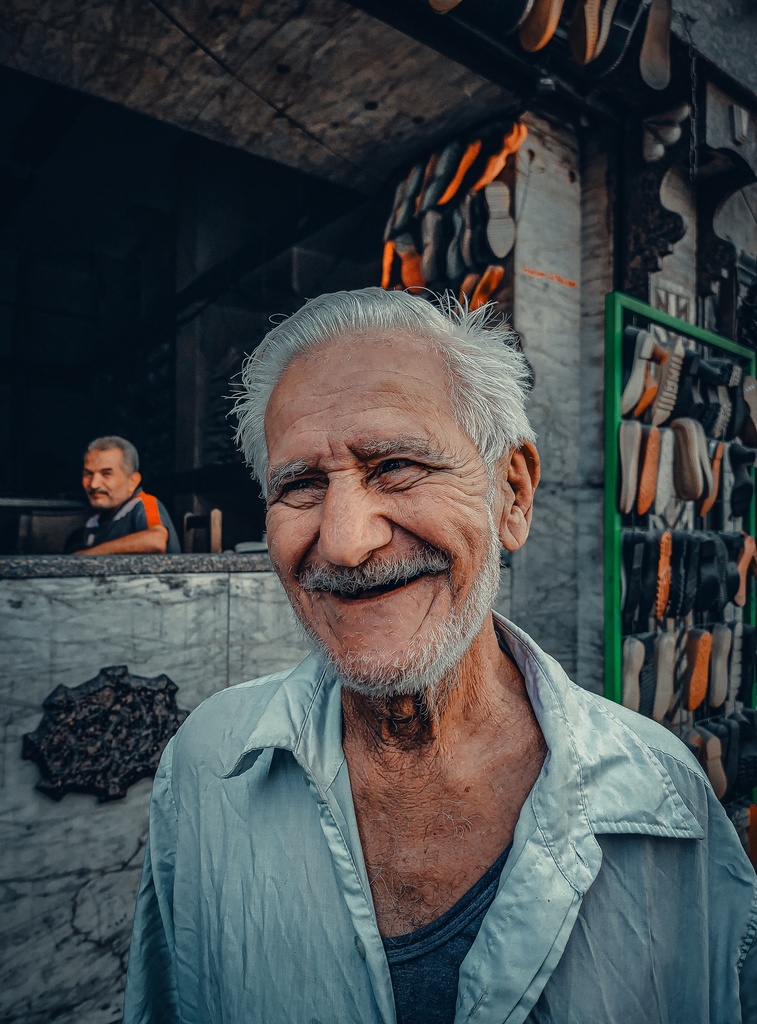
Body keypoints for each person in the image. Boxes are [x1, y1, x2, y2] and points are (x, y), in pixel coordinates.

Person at [123, 289, 756, 1023]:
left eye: (396, 466)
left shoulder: (665, 806)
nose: (345, 541)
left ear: (511, 495)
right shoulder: (205, 765)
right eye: (298, 486)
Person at [67, 436, 181, 554]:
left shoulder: (146, 503)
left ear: (132, 481)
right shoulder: (95, 521)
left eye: (106, 474)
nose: (94, 484)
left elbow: (156, 540)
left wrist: (87, 555)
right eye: (88, 474)